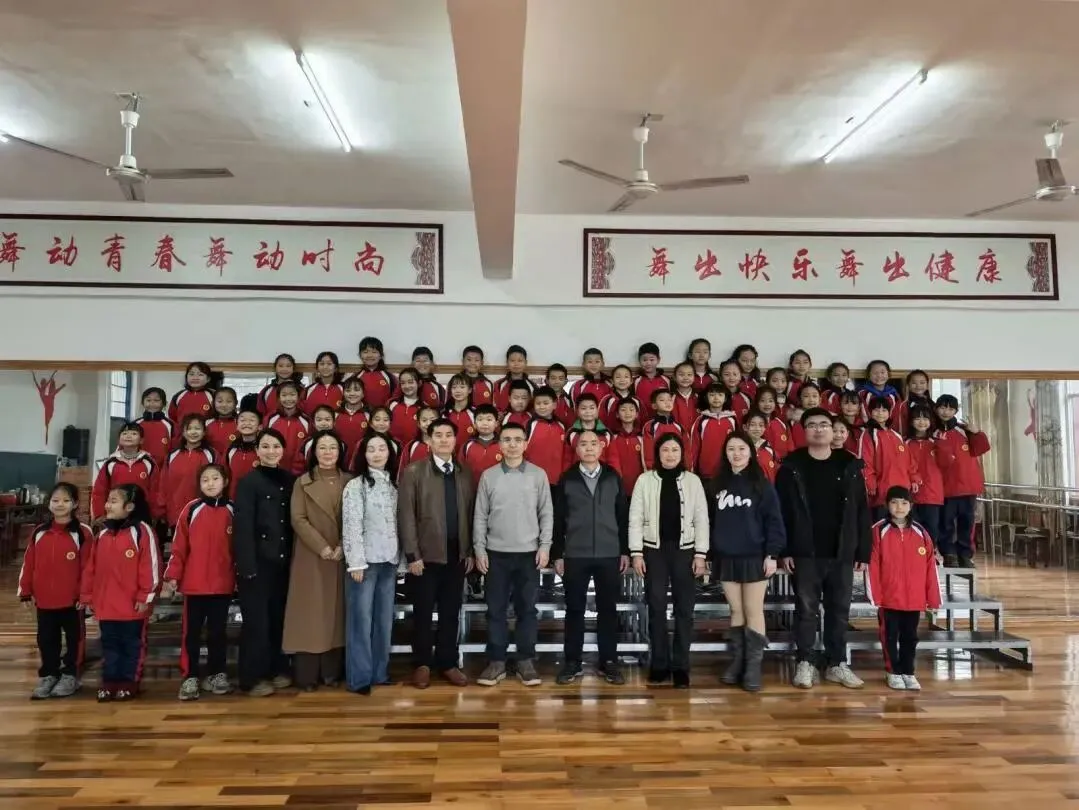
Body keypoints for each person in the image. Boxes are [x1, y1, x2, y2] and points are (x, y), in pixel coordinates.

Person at [775, 408, 872, 690]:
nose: (818, 429)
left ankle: (836, 663)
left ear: (833, 430)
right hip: (805, 551)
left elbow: (861, 511)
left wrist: (862, 551)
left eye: (824, 425)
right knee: (806, 609)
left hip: (841, 550)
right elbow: (781, 512)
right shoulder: (791, 467)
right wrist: (785, 550)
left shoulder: (849, 465)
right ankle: (805, 661)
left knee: (839, 609)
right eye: (812, 425)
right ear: (804, 431)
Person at [473, 422, 553, 687]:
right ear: (500, 444)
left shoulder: (538, 475)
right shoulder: (489, 476)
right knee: (495, 610)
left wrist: (545, 546)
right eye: (507, 439)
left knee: (527, 610)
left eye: (518, 440)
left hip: (529, 554)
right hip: (496, 554)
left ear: (525, 444)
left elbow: (546, 513)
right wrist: (479, 549)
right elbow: (480, 515)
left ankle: (525, 661)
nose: (512, 444)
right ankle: (496, 661)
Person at [398, 418, 475, 688]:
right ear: (428, 440)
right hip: (425, 557)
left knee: (450, 612)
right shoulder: (414, 471)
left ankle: (447, 662)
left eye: (448, 435)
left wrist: (469, 551)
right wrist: (412, 554)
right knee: (422, 613)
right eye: (438, 435)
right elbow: (406, 515)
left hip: (456, 555)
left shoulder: (464, 472)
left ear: (455, 440)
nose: (443, 440)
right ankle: (421, 663)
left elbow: (470, 514)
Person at [629, 434, 709, 689]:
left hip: (686, 551)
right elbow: (635, 518)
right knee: (656, 607)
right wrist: (636, 552)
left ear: (682, 453)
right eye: (665, 450)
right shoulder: (644, 480)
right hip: (654, 551)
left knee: (685, 609)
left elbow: (701, 518)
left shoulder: (693, 481)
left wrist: (701, 554)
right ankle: (659, 664)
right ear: (657, 453)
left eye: (675, 450)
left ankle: (681, 666)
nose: (670, 454)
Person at [708, 432, 786, 692]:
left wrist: (772, 554)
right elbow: (710, 521)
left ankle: (753, 666)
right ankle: (738, 661)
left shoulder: (761, 484)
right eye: (731, 449)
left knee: (753, 609)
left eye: (741, 448)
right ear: (725, 453)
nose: (737, 453)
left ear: (751, 452)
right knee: (736, 610)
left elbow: (774, 521)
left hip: (754, 556)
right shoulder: (716, 484)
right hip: (726, 555)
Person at [552, 430, 630, 686]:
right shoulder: (567, 478)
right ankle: (572, 662)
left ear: (601, 447)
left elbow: (622, 516)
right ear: (576, 450)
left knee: (608, 609)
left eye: (593, 443)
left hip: (609, 553)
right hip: (576, 554)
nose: (588, 448)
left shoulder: (613, 476)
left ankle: (609, 661)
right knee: (574, 609)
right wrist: (557, 554)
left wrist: (625, 550)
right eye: (583, 444)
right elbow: (558, 519)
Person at [283, 430, 351, 690]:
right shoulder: (302, 482)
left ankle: (332, 673)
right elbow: (298, 518)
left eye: (332, 447)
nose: (327, 452)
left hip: (343, 555)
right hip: (311, 555)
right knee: (310, 614)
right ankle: (307, 675)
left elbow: (356, 517)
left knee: (337, 614)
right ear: (314, 452)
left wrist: (343, 544)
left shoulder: (351, 481)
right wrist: (322, 547)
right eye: (322, 447)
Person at [161, 464, 235, 701]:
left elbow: (239, 549)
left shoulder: (233, 510)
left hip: (222, 585)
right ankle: (190, 676)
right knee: (191, 634)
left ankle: (217, 674)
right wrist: (173, 576)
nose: (210, 483)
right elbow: (179, 547)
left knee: (217, 633)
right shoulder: (191, 509)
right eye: (205, 480)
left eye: (215, 478)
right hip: (194, 586)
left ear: (225, 481)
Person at [80, 485, 160, 702]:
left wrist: (145, 596)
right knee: (109, 645)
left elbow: (150, 566)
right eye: (108, 500)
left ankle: (128, 682)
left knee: (132, 646)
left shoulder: (142, 531)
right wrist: (87, 596)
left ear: (129, 506)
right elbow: (91, 568)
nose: (107, 505)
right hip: (106, 606)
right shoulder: (102, 534)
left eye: (113, 501)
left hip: (133, 606)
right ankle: (109, 682)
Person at [232, 428, 295, 697]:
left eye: (276, 446)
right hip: (257, 563)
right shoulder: (248, 483)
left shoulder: (289, 480)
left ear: (283, 450)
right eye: (265, 446)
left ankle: (275, 669)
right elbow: (243, 526)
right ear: (257, 451)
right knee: (256, 623)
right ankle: (251, 678)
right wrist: (246, 566)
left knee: (278, 619)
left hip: (283, 563)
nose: (271, 451)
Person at [19, 482, 93, 700]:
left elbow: (89, 567)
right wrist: (25, 590)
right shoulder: (39, 532)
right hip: (44, 600)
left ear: (75, 504)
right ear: (49, 503)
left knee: (74, 639)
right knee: (46, 639)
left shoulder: (83, 533)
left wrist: (85, 594)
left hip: (72, 601)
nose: (60, 504)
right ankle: (49, 674)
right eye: (55, 500)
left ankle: (70, 675)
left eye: (66, 500)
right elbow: (29, 563)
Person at [342, 434, 402, 695]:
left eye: (382, 449)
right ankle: (360, 677)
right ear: (363, 455)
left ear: (390, 453)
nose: (377, 454)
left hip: (389, 561)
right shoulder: (356, 486)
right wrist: (355, 562)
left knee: (384, 620)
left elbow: (400, 525)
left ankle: (380, 672)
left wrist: (401, 561)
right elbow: (351, 525)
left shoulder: (394, 486)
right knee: (361, 620)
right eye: (371, 449)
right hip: (364, 563)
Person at [867, 486, 942, 690]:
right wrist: (876, 595)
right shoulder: (878, 531)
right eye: (894, 502)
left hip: (914, 599)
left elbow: (930, 567)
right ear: (886, 505)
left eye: (904, 503)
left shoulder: (921, 533)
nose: (899, 507)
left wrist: (932, 598)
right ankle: (893, 671)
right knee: (889, 636)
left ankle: (908, 671)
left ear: (911, 506)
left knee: (910, 636)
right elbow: (873, 565)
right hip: (889, 598)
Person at [934, 394, 991, 568]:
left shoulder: (963, 430)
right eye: (943, 407)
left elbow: (981, 448)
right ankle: (949, 553)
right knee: (946, 523)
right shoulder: (932, 431)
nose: (946, 412)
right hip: (945, 487)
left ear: (956, 411)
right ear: (936, 408)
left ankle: (965, 554)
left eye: (950, 408)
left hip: (968, 486)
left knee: (967, 522)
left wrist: (976, 432)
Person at [91, 422, 161, 523]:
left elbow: (155, 491)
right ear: (119, 439)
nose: (128, 436)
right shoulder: (111, 463)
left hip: (142, 514)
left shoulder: (149, 462)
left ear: (141, 440)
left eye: (134, 433)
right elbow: (99, 490)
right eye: (124, 433)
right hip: (115, 513)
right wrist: (99, 514)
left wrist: (155, 514)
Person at [158, 415, 216, 532]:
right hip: (175, 513)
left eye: (197, 428)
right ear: (183, 432)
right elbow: (163, 484)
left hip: (203, 511)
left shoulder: (212, 454)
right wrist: (162, 510)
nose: (193, 432)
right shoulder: (172, 455)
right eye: (189, 429)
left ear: (204, 432)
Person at [905, 404, 944, 544]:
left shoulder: (936, 442)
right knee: (912, 528)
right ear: (911, 421)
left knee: (932, 529)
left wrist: (943, 445)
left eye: (925, 418)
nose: (922, 422)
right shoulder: (905, 443)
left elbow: (947, 463)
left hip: (932, 494)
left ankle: (931, 553)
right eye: (917, 418)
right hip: (911, 495)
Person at [264, 380, 313, 475]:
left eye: (292, 394)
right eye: (284, 395)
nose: (288, 399)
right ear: (279, 398)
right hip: (274, 470)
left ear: (298, 397)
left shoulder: (306, 420)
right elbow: (264, 443)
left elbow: (309, 447)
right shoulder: (270, 419)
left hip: (299, 472)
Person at [459, 404, 502, 485]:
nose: (485, 423)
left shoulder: (503, 445)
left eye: (489, 419)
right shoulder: (467, 446)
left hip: (497, 490)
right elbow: (460, 470)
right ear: (474, 424)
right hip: (472, 489)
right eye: (480, 419)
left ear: (496, 423)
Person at [134, 387, 174, 467]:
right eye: (148, 400)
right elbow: (124, 446)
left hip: (163, 468)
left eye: (156, 400)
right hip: (138, 467)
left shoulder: (171, 425)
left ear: (164, 403)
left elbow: (176, 449)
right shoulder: (135, 424)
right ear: (142, 403)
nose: (152, 403)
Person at [226, 409, 261, 500]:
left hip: (258, 499)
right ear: (237, 426)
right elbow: (225, 473)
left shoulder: (263, 449)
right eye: (242, 420)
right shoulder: (231, 449)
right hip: (234, 498)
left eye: (252, 420)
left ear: (260, 426)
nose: (247, 423)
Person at [354, 336, 397, 409]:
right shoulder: (355, 377)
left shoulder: (390, 377)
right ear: (360, 355)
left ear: (381, 355)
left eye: (374, 352)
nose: (370, 355)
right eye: (365, 352)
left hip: (384, 414)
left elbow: (395, 399)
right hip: (362, 414)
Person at [633, 342, 670, 422]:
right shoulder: (634, 381)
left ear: (658, 360)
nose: (648, 363)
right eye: (644, 360)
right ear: (639, 361)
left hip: (662, 422)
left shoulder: (667, 380)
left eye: (652, 359)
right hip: (640, 422)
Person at [389, 367, 423, 446]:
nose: (407, 386)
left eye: (410, 382)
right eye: (403, 383)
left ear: (419, 383)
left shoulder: (424, 408)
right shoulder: (392, 404)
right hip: (393, 448)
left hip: (413, 450)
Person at [304, 351, 345, 415]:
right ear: (317, 368)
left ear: (335, 368)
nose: (325, 367)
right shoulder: (308, 390)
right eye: (322, 364)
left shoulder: (344, 388)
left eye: (329, 364)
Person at [205, 387, 240, 457]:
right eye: (220, 401)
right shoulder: (206, 424)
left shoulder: (240, 423)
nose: (224, 405)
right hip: (212, 462)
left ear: (236, 403)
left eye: (229, 401)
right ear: (213, 403)